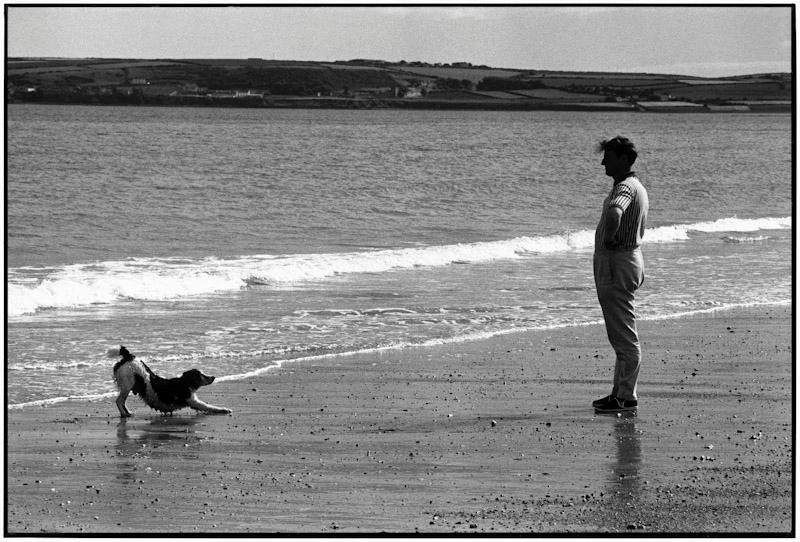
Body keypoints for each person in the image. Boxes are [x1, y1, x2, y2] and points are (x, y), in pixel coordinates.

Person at [591, 136, 649, 414]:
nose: (603, 162)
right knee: (621, 333)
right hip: (627, 261)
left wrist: (611, 239)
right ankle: (619, 393)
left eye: (609, 156)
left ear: (624, 159)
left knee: (624, 335)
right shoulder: (635, 186)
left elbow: (615, 213)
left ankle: (626, 397)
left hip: (618, 262)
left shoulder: (625, 188)